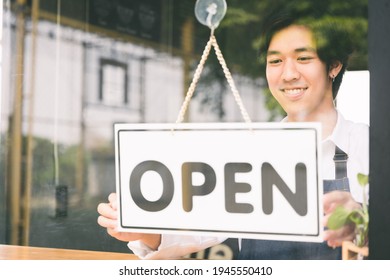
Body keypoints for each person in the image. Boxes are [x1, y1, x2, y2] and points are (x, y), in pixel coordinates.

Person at [97, 10, 369, 259]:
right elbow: (195, 229)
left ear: (333, 66)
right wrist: (143, 230)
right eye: (275, 61)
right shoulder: (252, 151)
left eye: (303, 58)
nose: (288, 74)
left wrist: (363, 221)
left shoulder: (370, 147)